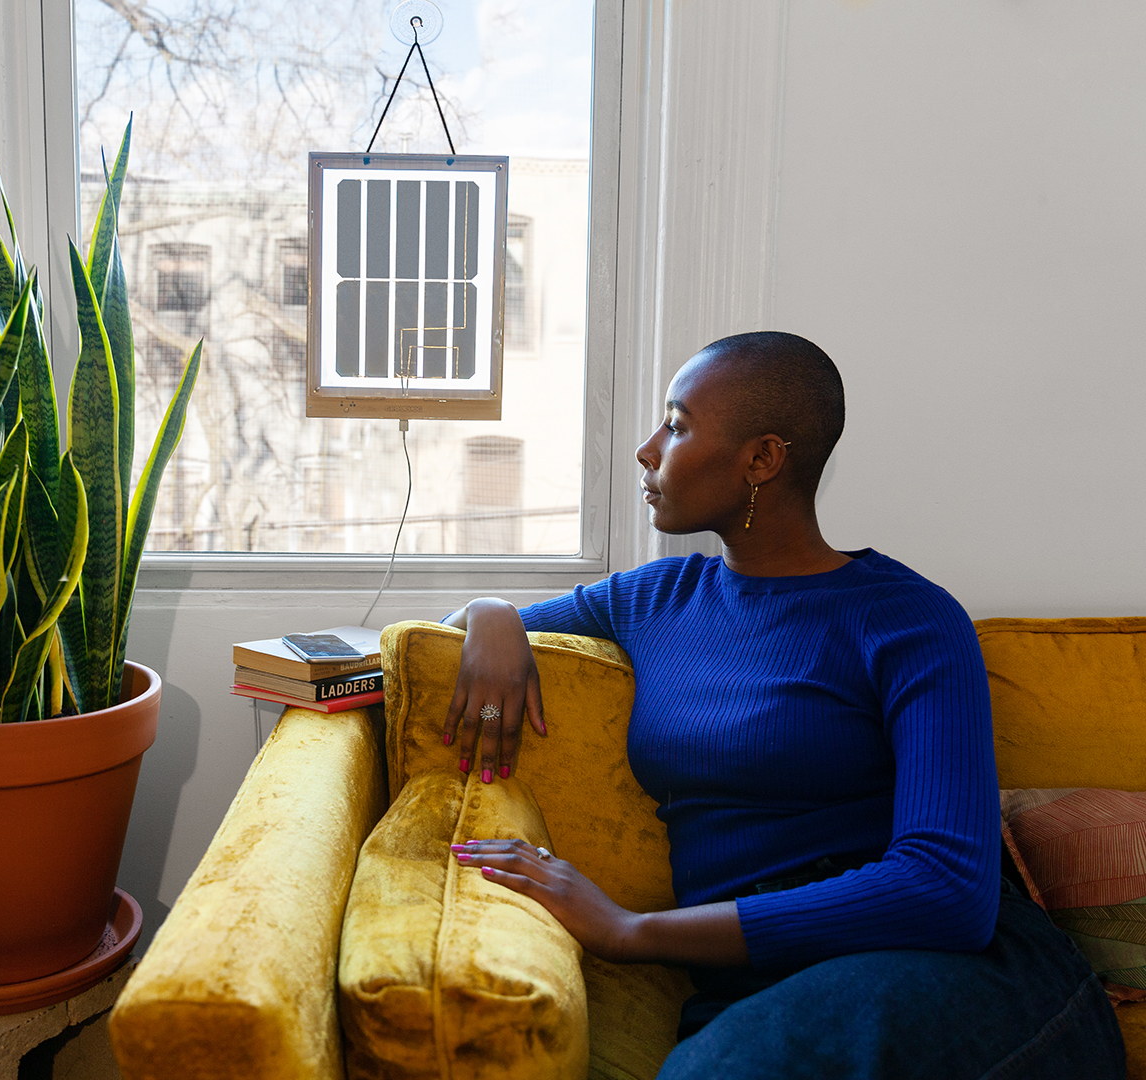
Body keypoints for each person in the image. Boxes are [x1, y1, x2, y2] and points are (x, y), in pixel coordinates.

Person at [439, 332, 1125, 1079]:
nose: (646, 449)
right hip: (758, 982)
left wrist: (632, 931)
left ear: (763, 460)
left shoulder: (911, 620)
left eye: (677, 424)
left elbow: (946, 892)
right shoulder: (654, 600)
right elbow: (435, 644)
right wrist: (491, 610)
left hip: (949, 973)